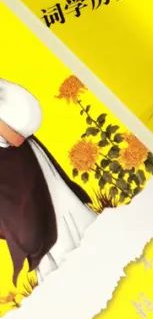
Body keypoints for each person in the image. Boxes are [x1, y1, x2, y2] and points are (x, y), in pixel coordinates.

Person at [0, 78, 95, 284]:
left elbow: (15, 139)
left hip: (23, 167)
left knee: (42, 217)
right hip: (14, 173)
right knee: (33, 222)